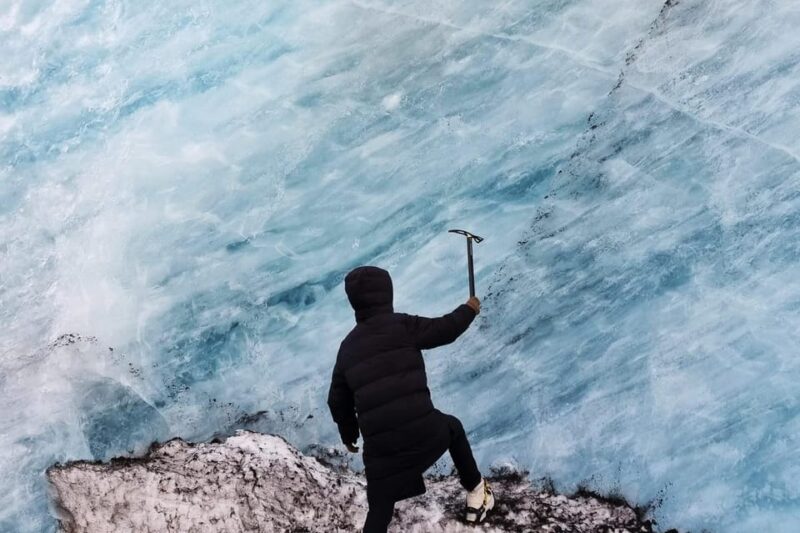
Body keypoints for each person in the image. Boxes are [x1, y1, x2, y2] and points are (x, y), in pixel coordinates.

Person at [327, 265, 495, 532]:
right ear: (388, 294)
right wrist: (470, 308)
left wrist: (349, 434)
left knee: (380, 509)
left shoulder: (347, 349)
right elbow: (446, 329)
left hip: (382, 456)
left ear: (353, 302)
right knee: (453, 428)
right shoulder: (404, 326)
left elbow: (337, 401)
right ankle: (478, 492)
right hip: (425, 437)